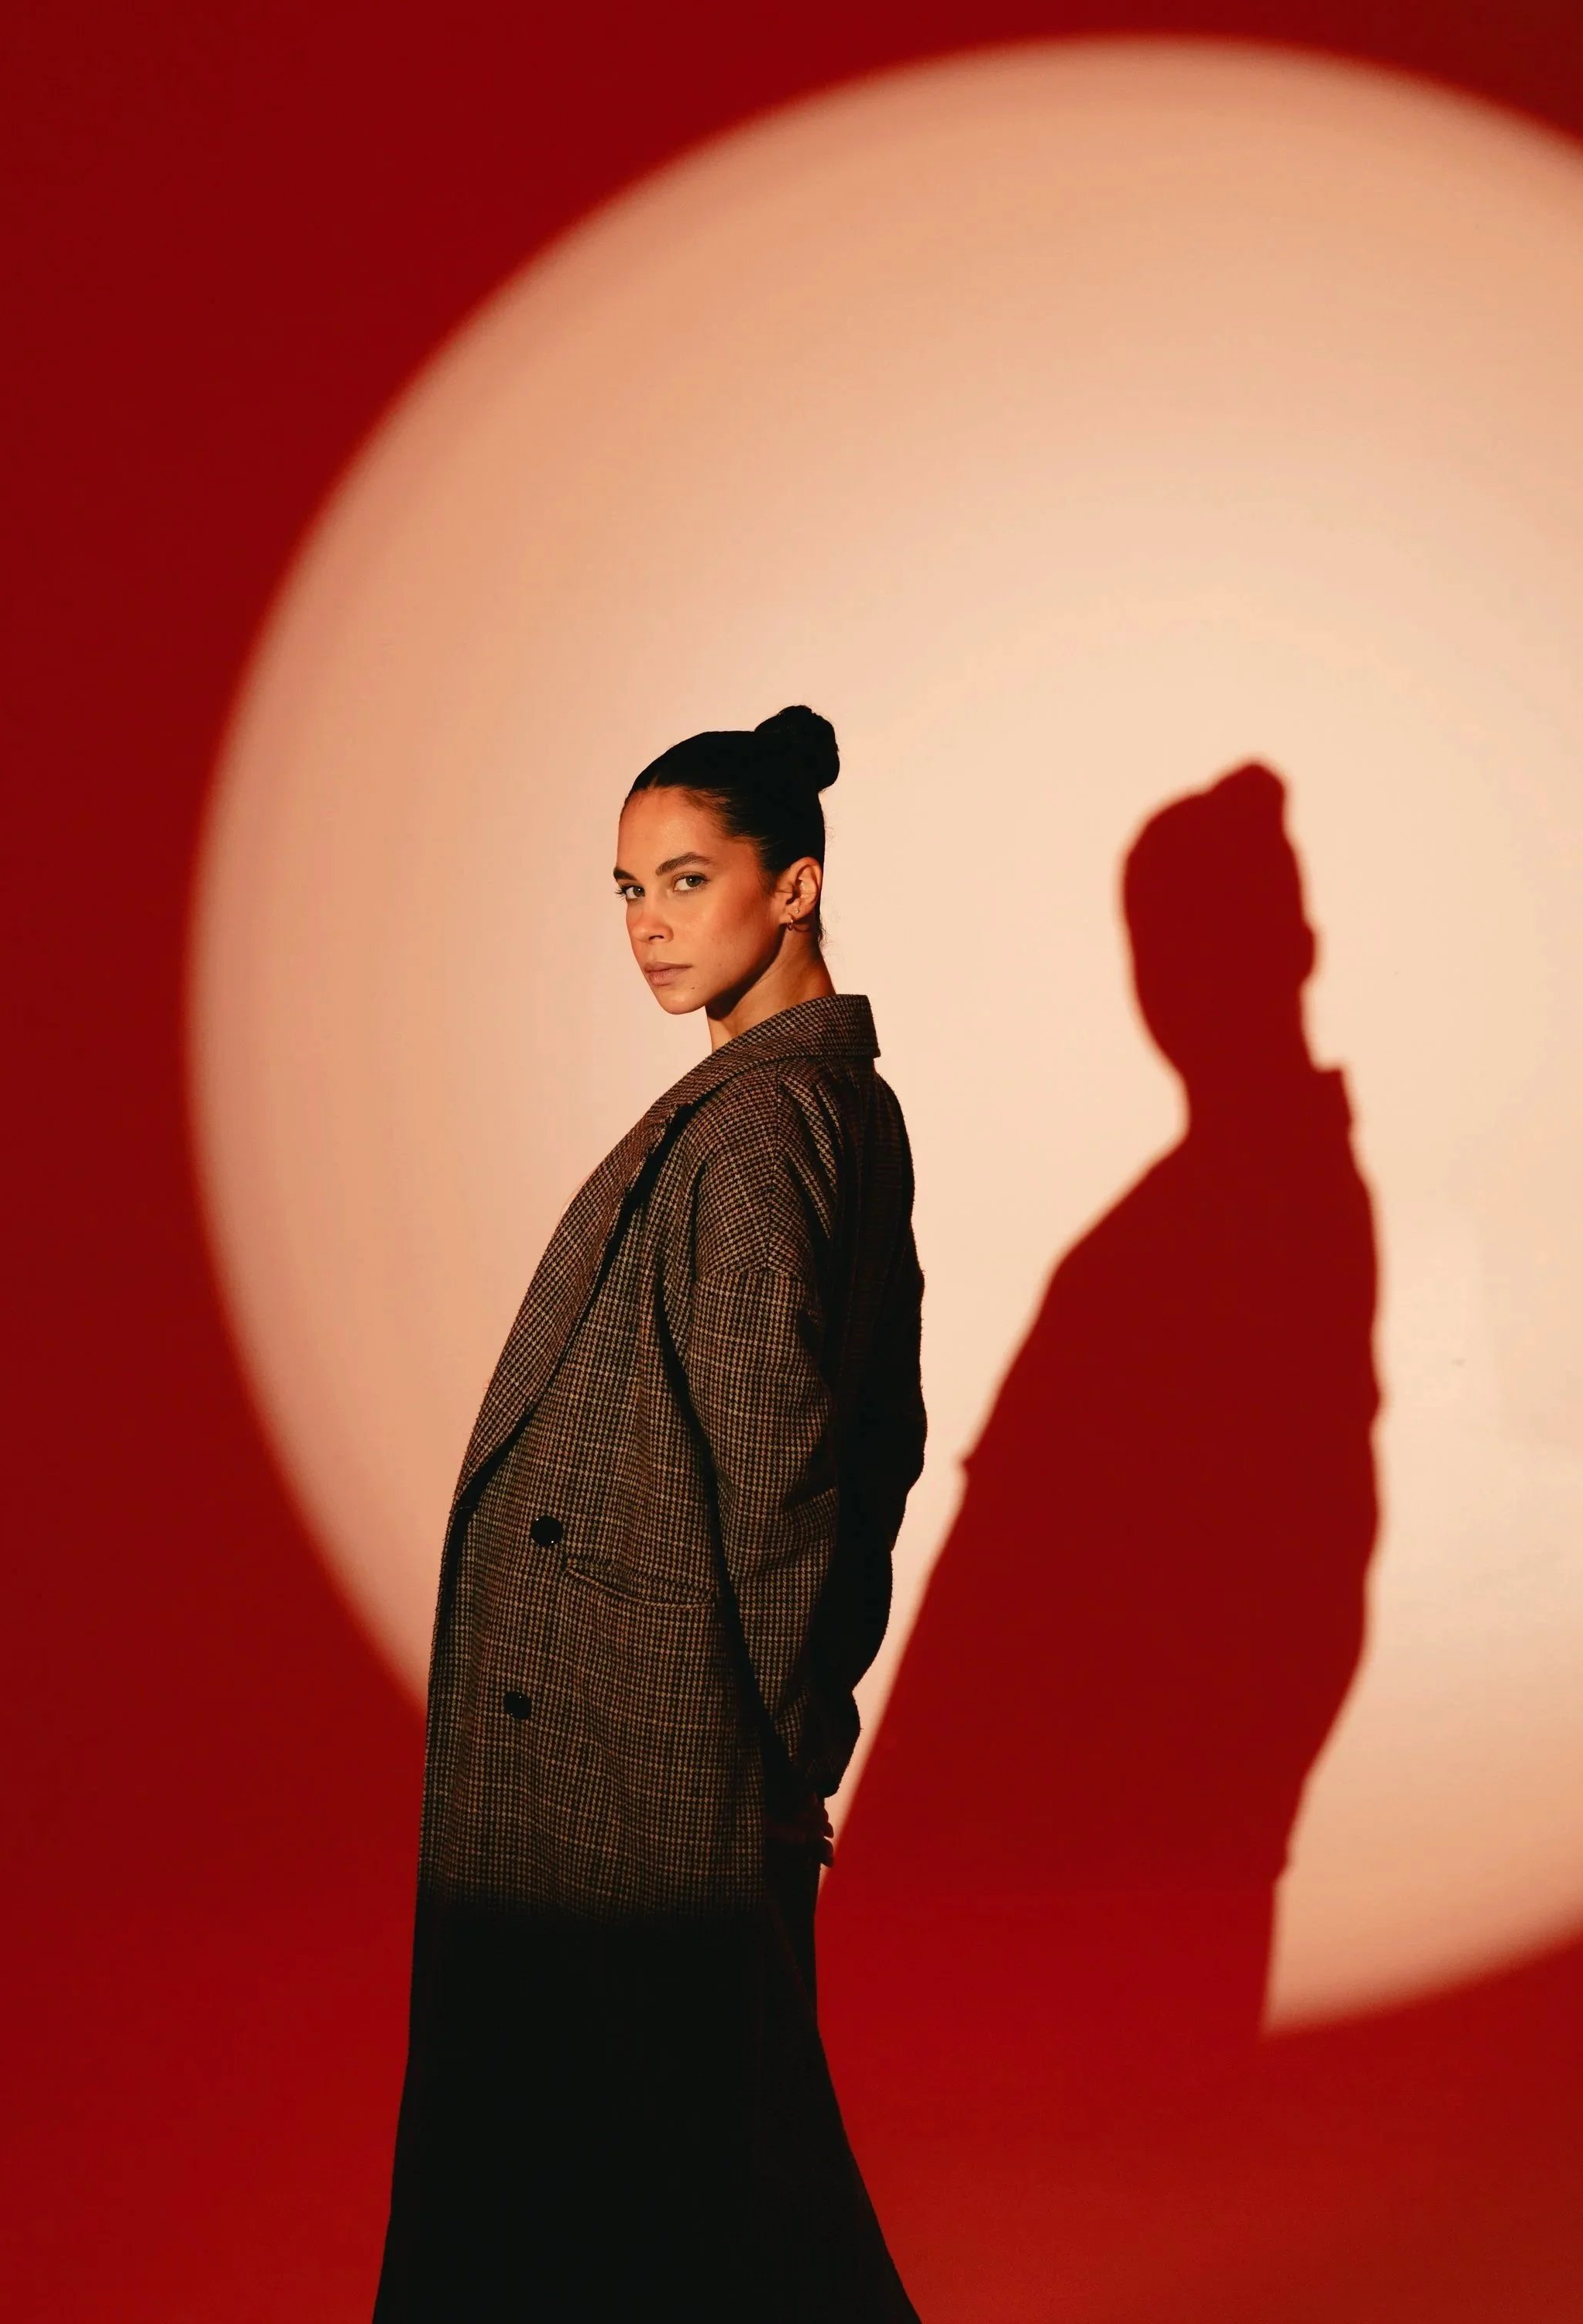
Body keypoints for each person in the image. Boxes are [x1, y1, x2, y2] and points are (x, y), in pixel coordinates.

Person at [374, 706, 927, 2322]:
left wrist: (776, 1745)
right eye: (625, 891)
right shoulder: (807, 1106)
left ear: (797, 885)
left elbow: (786, 1476)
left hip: (652, 1755)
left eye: (689, 880)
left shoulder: (761, 1127)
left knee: (689, 2185)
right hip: (640, 1746)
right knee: (662, 2179)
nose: (651, 927)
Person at [823, 761, 1379, 2133]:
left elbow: (1301, 1590)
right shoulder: (1189, 1233)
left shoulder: (1257, 1235)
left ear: (1287, 949)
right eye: (1160, 947)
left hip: (1074, 1944)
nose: (1177, 981)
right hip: (1007, 1922)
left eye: (1206, 937)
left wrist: (1189, 1858)